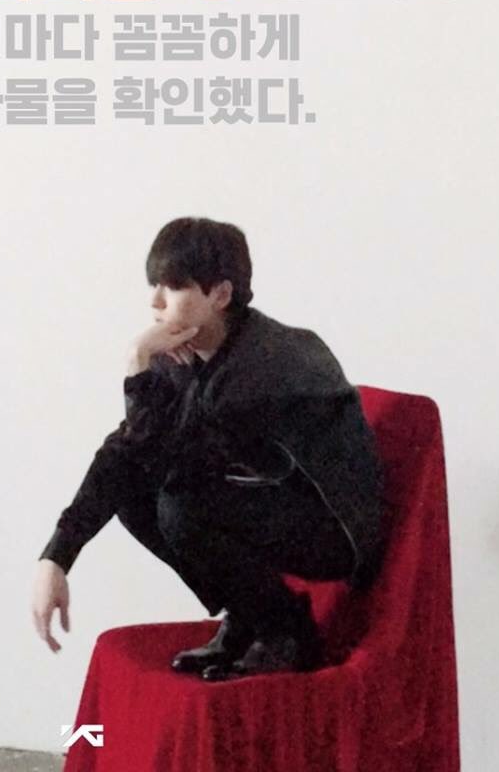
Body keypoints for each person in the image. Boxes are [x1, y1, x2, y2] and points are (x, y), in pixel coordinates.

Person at [31, 217, 385, 680]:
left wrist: (137, 368)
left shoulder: (269, 361)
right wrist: (56, 557)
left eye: (174, 287)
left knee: (182, 504)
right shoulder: (186, 352)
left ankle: (286, 631)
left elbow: (174, 460)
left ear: (220, 294)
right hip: (267, 501)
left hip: (333, 528)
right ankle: (248, 614)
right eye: (155, 285)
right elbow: (127, 453)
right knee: (136, 493)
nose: (155, 302)